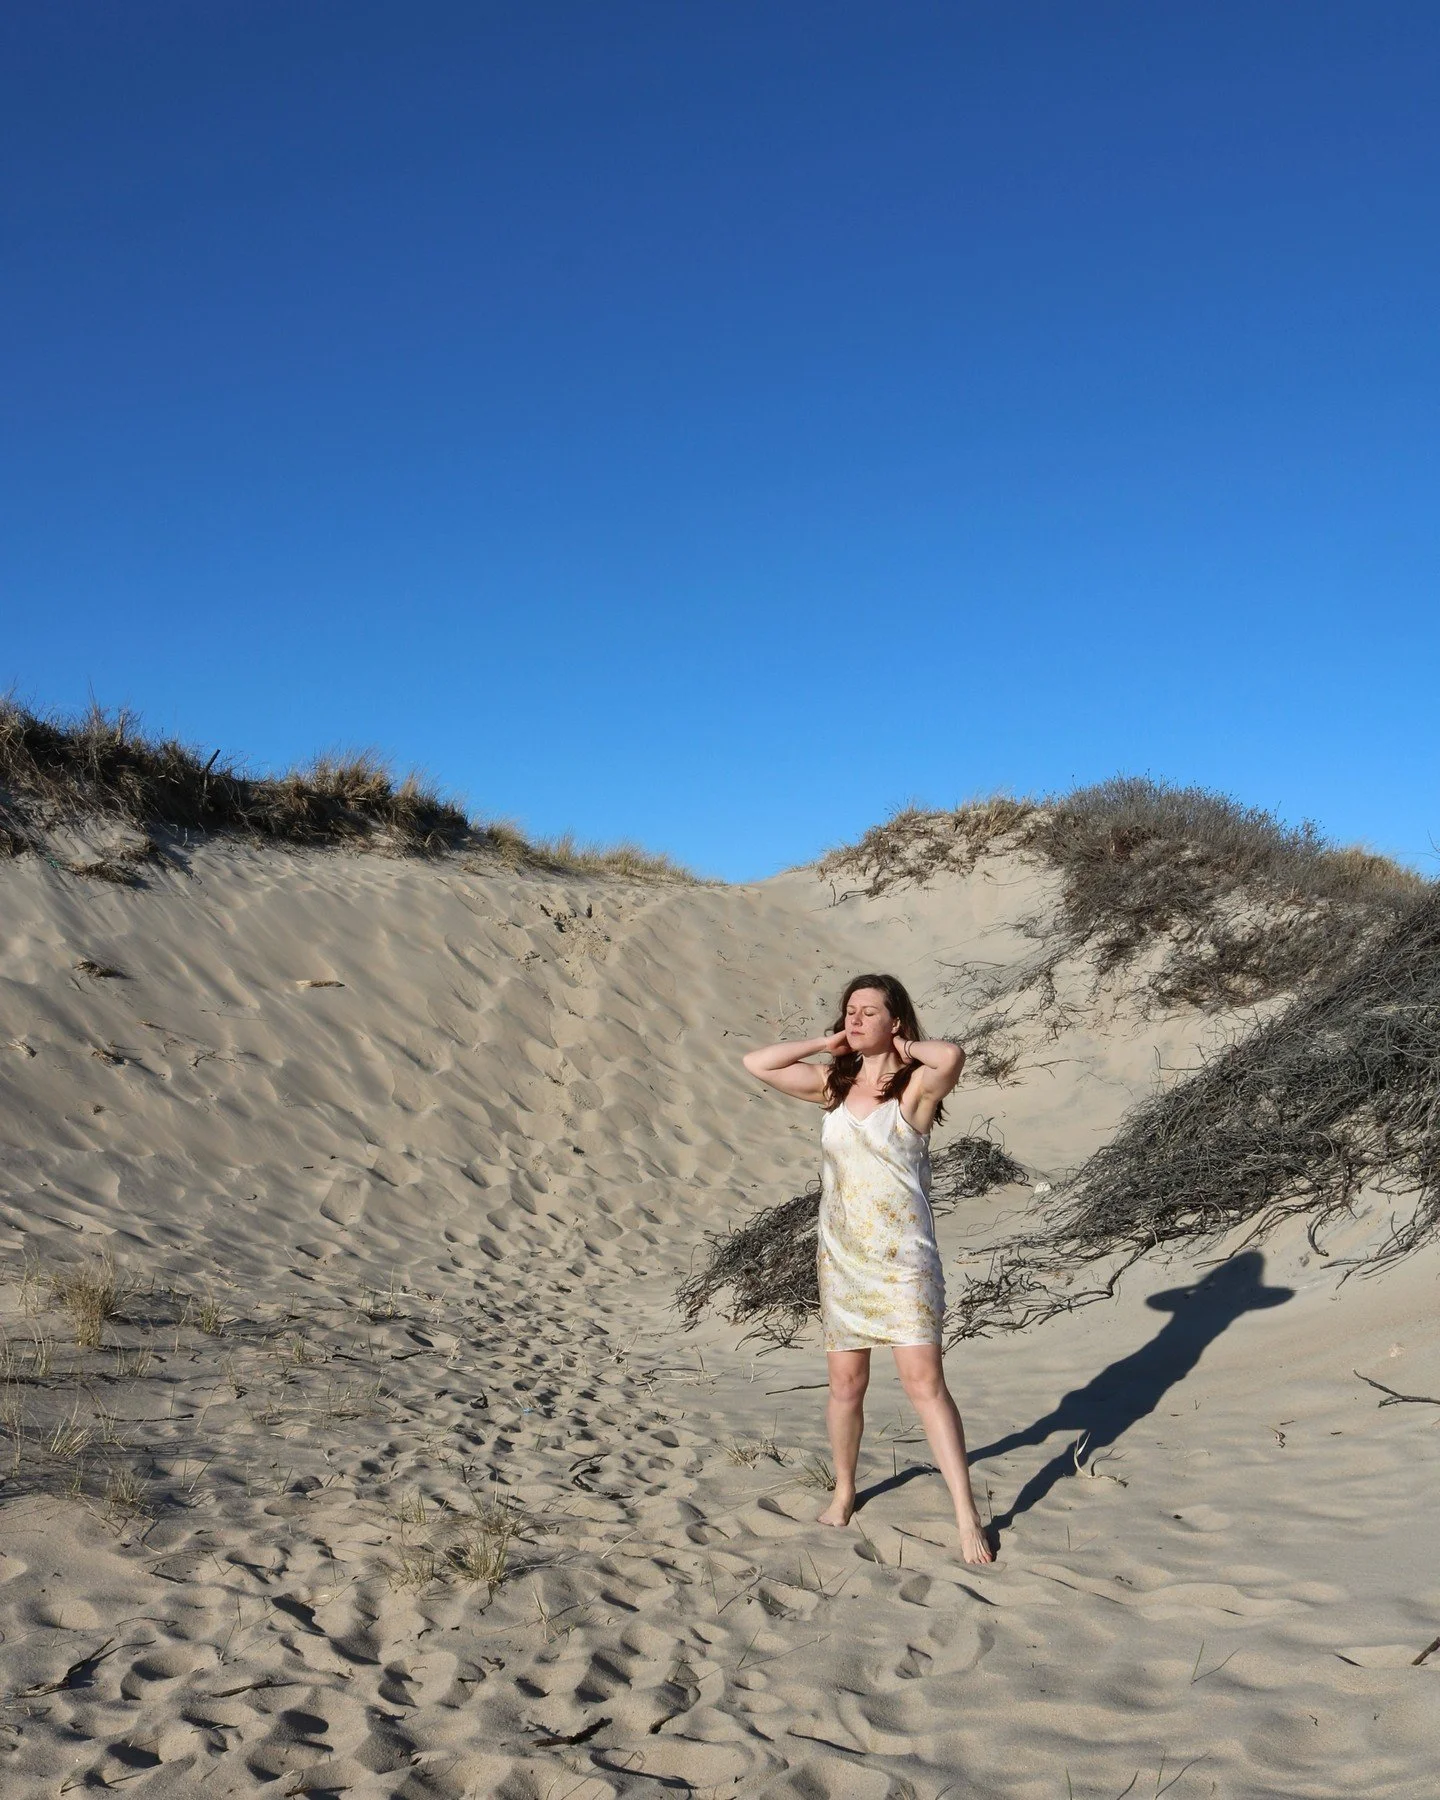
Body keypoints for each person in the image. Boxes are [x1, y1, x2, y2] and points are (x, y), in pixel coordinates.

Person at [742, 973, 994, 1565]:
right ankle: (845, 1491)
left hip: (904, 1260)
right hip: (844, 1260)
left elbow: (951, 1054)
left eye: (868, 1013)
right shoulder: (832, 1086)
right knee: (845, 1387)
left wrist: (902, 1050)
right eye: (848, 1012)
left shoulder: (914, 1091)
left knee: (923, 1385)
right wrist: (823, 1043)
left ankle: (965, 1515)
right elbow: (758, 1062)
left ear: (895, 1021)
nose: (854, 1020)